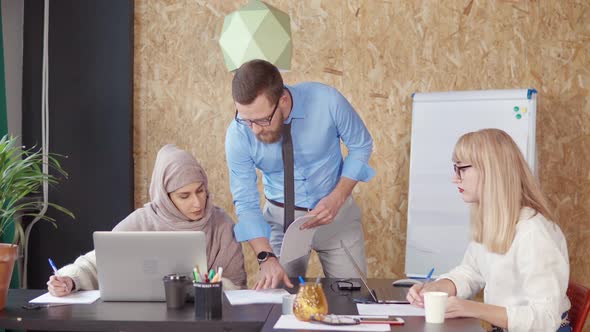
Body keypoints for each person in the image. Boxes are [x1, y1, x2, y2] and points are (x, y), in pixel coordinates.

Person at [225, 59, 375, 290]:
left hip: (337, 217)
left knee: (353, 297)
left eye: (262, 119)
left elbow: (361, 145)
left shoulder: (327, 101)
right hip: (281, 222)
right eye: (246, 120)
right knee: (278, 302)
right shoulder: (238, 134)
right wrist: (265, 257)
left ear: (282, 100)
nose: (254, 129)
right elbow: (245, 201)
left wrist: (337, 198)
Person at [407, 129, 571, 331]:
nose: (455, 178)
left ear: (491, 171)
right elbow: (470, 272)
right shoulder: (495, 221)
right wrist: (437, 289)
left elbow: (545, 319)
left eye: (462, 168)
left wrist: (473, 308)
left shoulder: (533, 232)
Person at [47, 144, 247, 296]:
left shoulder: (221, 224)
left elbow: (236, 287)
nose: (197, 202)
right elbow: (97, 263)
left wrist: (198, 288)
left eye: (200, 191)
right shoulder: (140, 222)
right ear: (165, 197)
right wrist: (69, 280)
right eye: (184, 196)